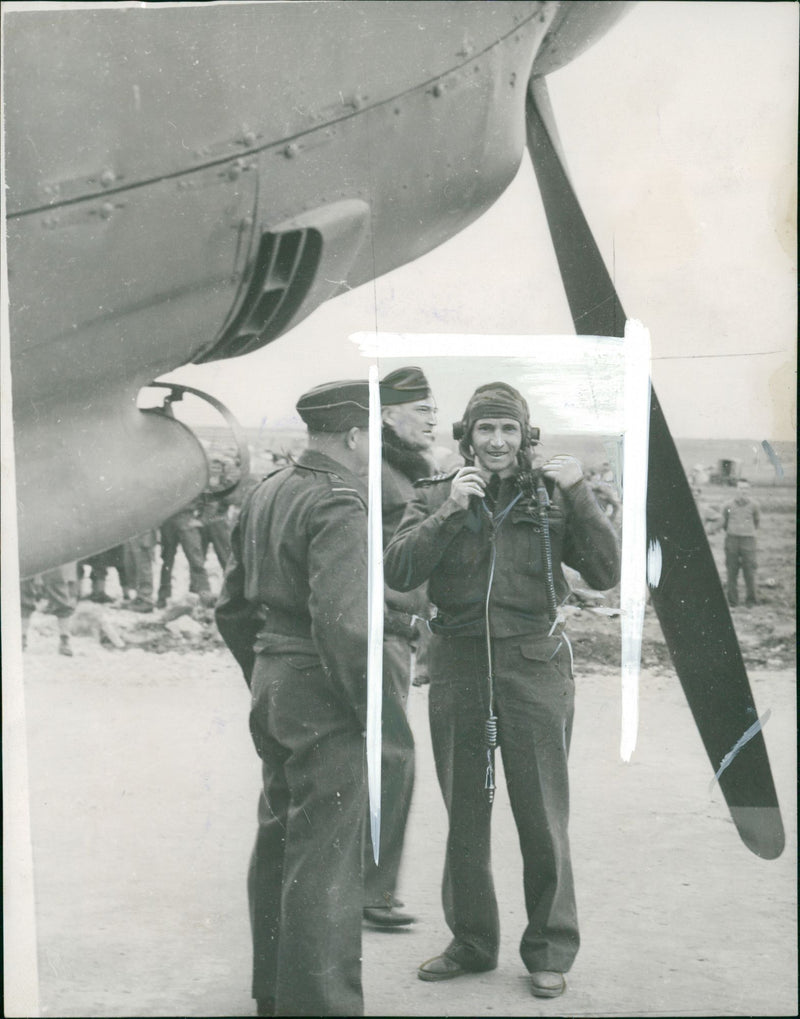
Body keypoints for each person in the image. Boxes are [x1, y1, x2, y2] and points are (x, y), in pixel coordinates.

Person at [383, 382, 620, 1000]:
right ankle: (471, 941)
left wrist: (579, 493)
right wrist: (448, 512)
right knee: (467, 807)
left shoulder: (554, 496)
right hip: (459, 662)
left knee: (541, 811)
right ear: (466, 436)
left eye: (508, 430)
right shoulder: (435, 494)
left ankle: (548, 949)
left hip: (533, 662)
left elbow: (604, 572)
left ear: (526, 437)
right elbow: (399, 570)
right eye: (484, 430)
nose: (496, 442)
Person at [216, 380, 372, 1018]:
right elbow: (343, 622)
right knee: (327, 854)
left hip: (274, 678)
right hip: (322, 687)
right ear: (357, 435)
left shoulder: (267, 491)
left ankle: (275, 990)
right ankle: (320, 1005)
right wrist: (368, 709)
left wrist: (263, 672)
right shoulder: (340, 500)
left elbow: (230, 607)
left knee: (281, 835)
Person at [360, 366, 438, 929]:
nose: (434, 417)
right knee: (392, 755)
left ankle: (365, 886)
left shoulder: (397, 470)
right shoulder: (387, 476)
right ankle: (372, 892)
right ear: (388, 415)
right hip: (383, 630)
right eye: (423, 408)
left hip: (394, 628)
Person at [21, 564, 76, 656]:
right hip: (27, 553)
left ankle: (65, 640)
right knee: (23, 590)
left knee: (59, 590)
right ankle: (21, 637)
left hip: (51, 555)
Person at [722, 479, 760, 607]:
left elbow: (756, 522)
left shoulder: (754, 505)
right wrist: (733, 531)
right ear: (736, 489)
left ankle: (751, 600)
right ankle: (733, 601)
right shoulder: (727, 505)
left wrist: (747, 532)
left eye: (745, 488)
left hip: (748, 541)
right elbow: (724, 523)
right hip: (732, 540)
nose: (743, 491)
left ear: (748, 490)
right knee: (732, 570)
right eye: (740, 488)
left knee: (749, 570)